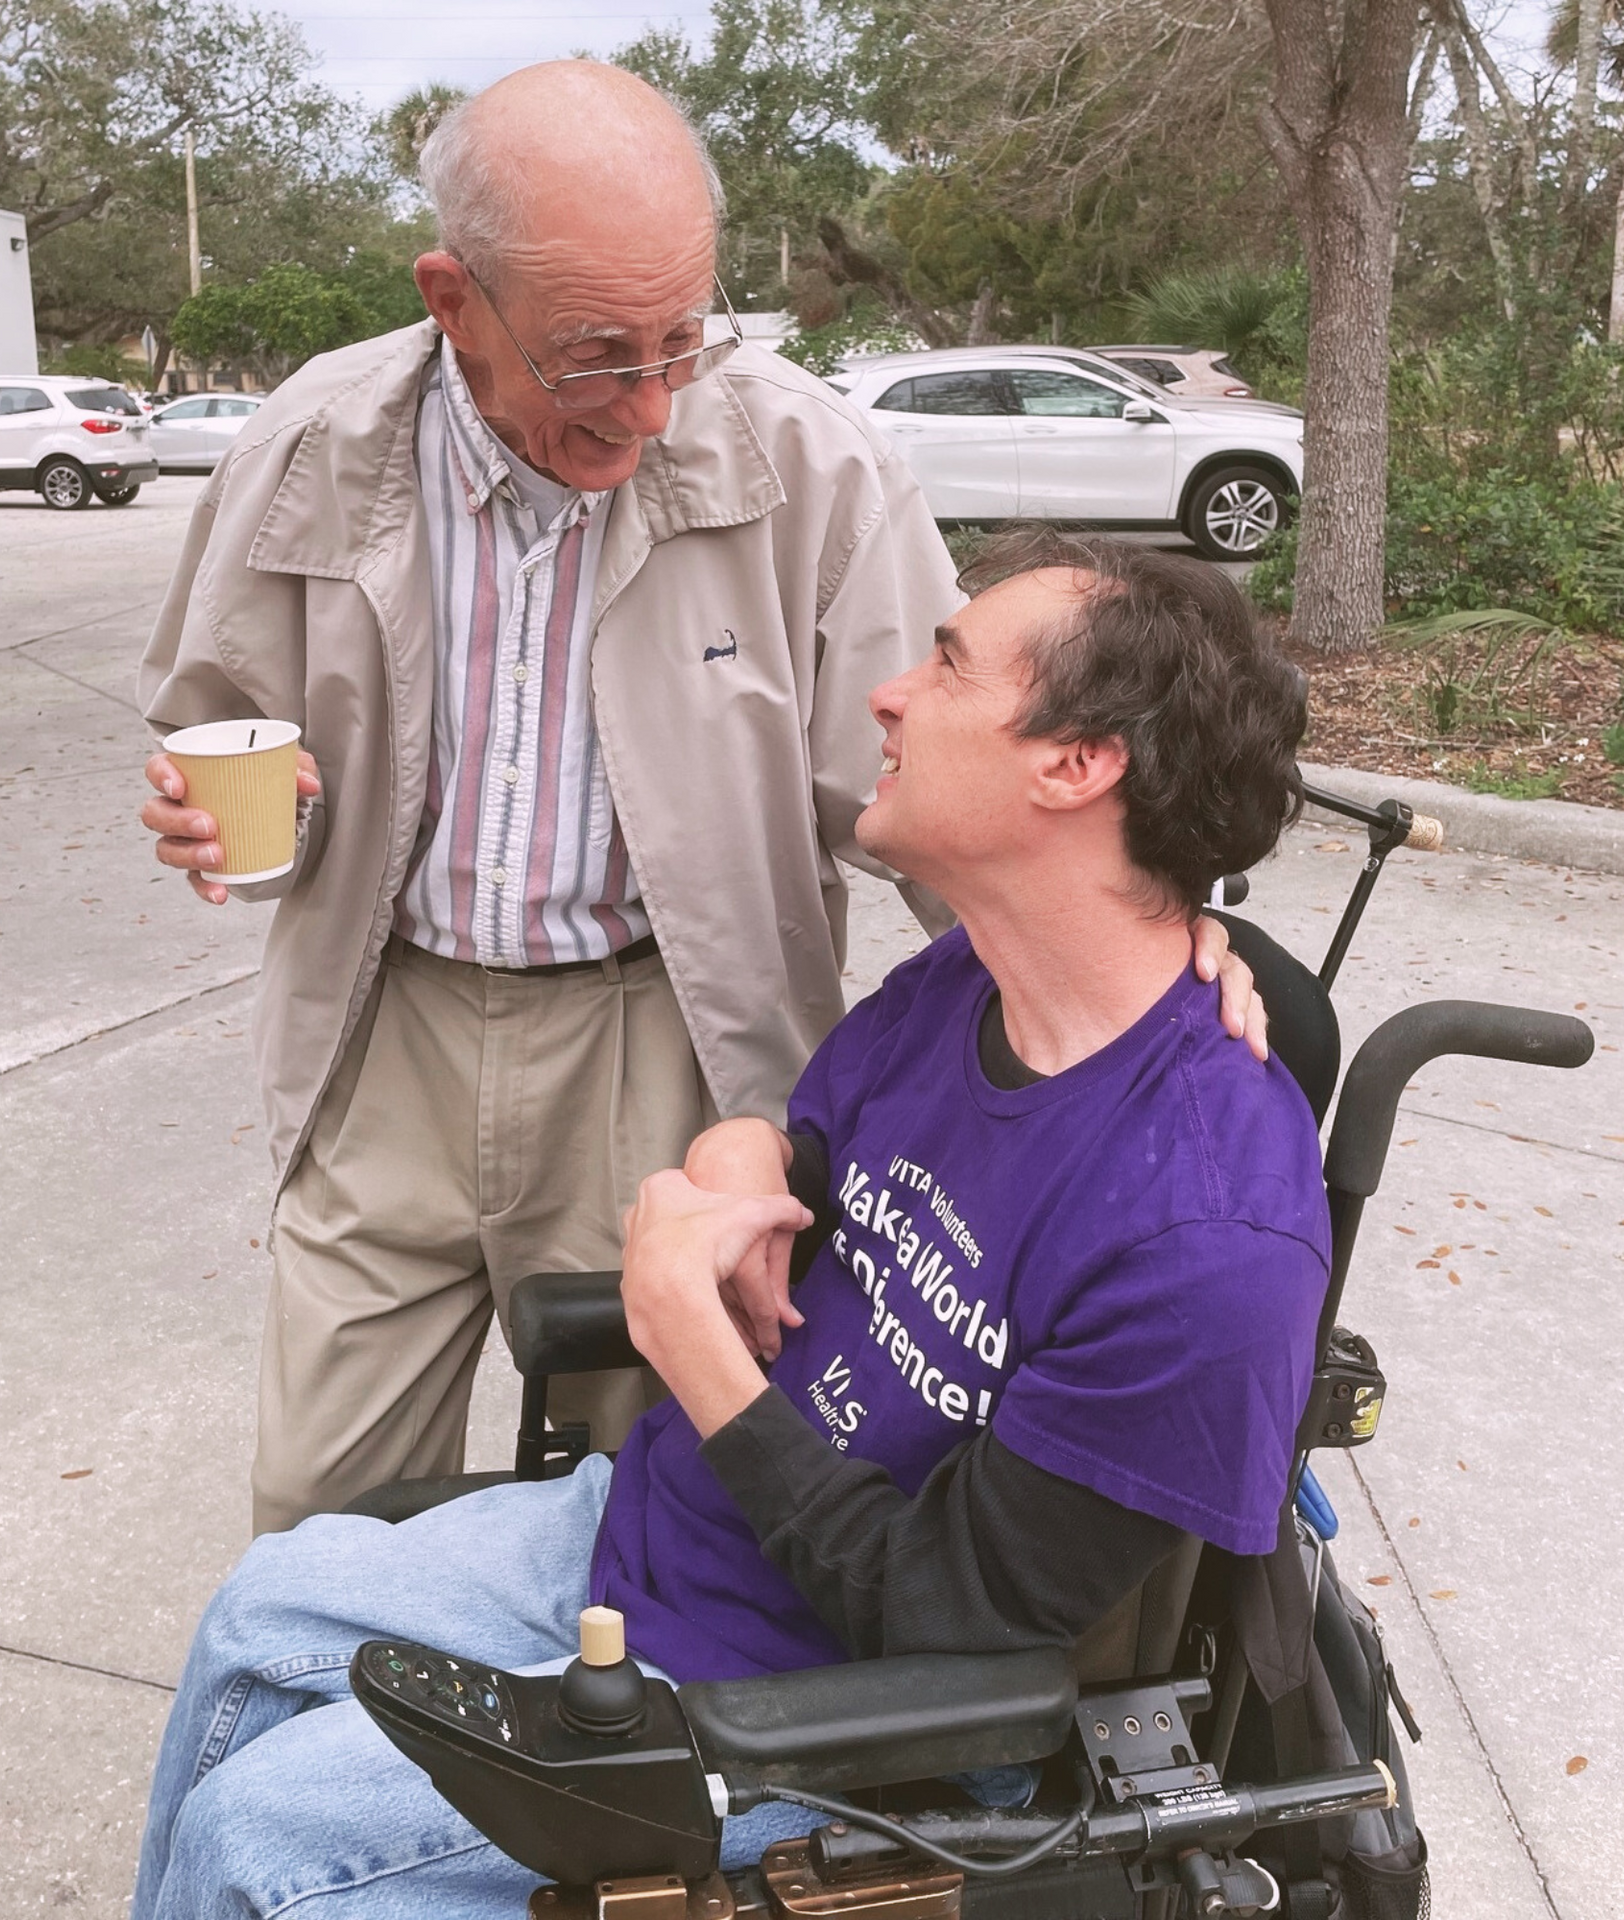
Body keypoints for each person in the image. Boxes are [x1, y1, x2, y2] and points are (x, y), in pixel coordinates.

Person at [135, 60, 1266, 1532]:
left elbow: (958, 783)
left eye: (686, 336)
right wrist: (218, 821)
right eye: (600, 355)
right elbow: (222, 734)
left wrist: (1145, 941)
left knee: (658, 1507)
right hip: (384, 1027)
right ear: (453, 299)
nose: (657, 408)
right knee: (316, 1504)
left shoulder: (809, 460)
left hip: (670, 1041)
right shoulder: (314, 443)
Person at [131, 535, 1331, 1919]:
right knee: (260, 1610)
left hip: (808, 1723)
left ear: (1077, 765)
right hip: (654, 1543)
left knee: (260, 1840)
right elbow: (799, 1145)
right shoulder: (968, 985)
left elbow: (960, 1636)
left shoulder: (1208, 1242)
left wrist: (691, 1346)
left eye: (945, 664)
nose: (885, 694)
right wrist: (733, 1152)